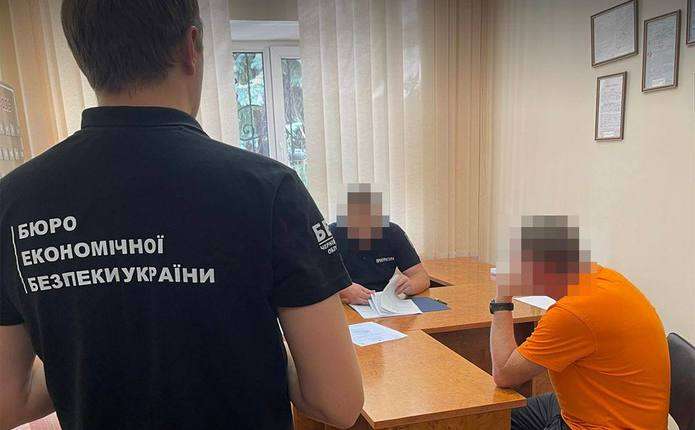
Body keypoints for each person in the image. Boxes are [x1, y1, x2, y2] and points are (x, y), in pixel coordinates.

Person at [0, 1, 363, 429]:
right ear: (191, 46)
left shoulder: (12, 201)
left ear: (84, 58)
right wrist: (258, 343)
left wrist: (84, 355)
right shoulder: (269, 189)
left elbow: (9, 402)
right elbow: (338, 404)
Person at [489, 215, 670, 430]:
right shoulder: (604, 278)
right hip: (621, 410)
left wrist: (502, 298)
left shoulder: (571, 313)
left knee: (487, 421)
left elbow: (504, 375)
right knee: (496, 416)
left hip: (606, 425)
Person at [329, 184, 430, 305]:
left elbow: (421, 276)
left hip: (383, 303)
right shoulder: (330, 235)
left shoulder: (393, 232)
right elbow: (315, 283)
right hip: (345, 305)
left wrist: (410, 285)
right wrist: (341, 290)